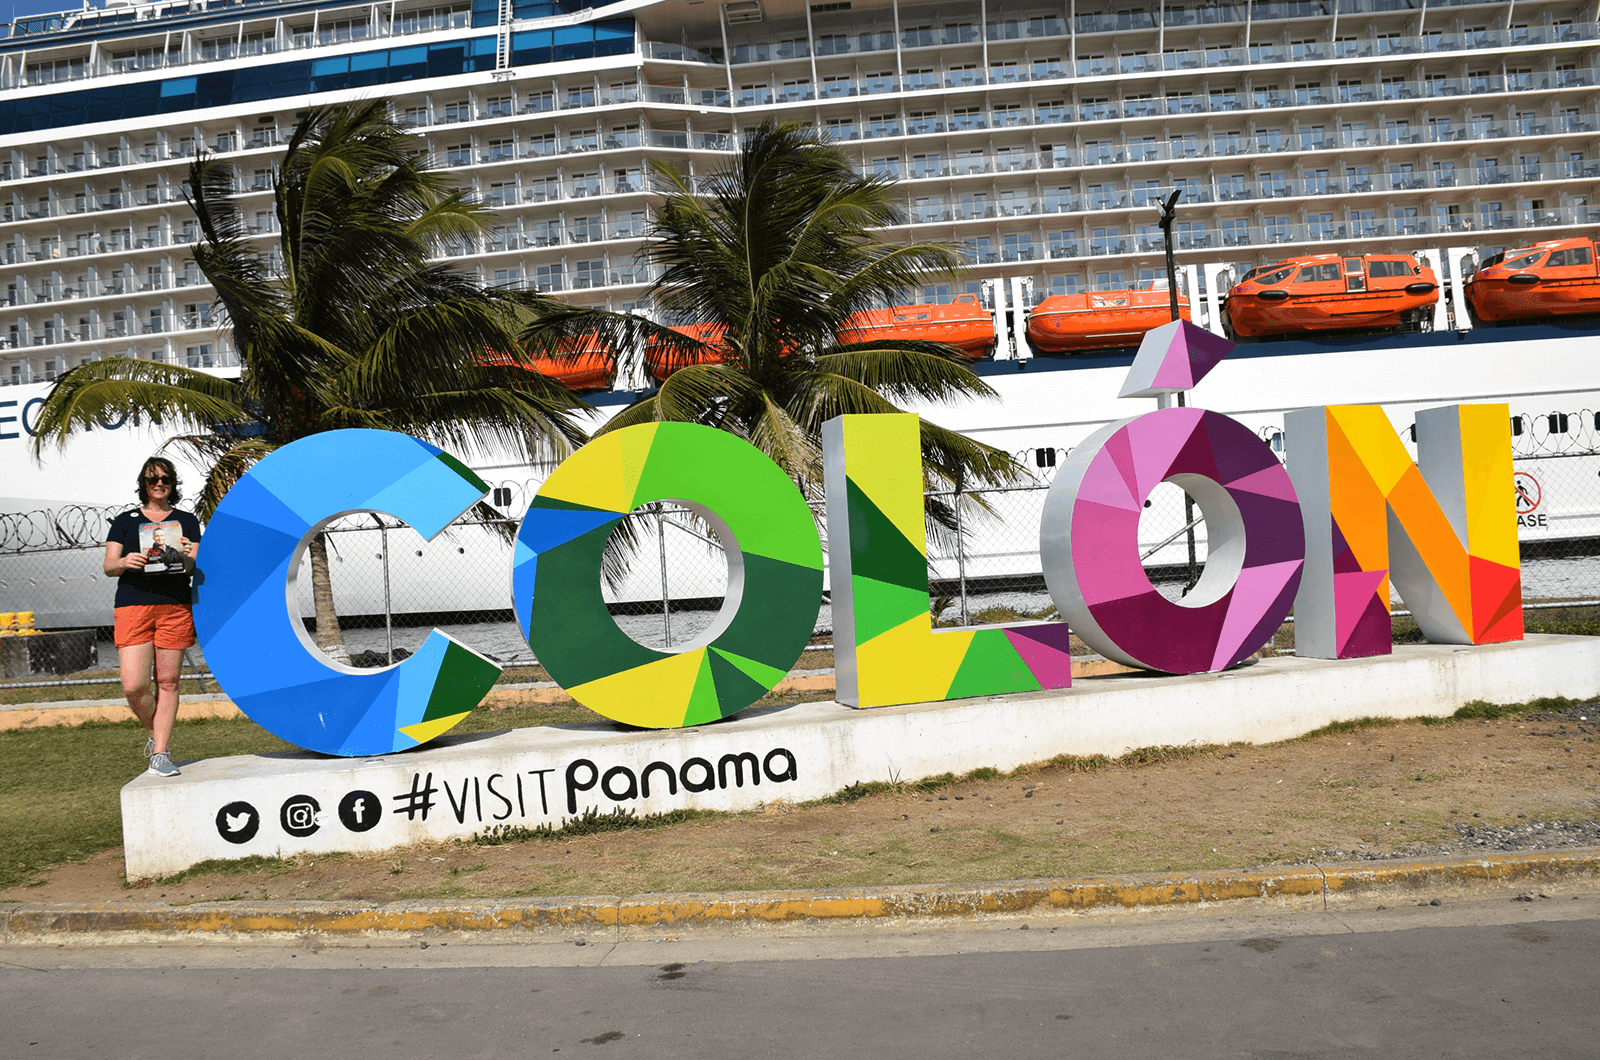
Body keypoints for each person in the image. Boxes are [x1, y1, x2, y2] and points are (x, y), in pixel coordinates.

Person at [104, 456, 201, 778]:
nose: (158, 484)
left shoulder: (186, 521)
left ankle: (160, 752)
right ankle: (153, 733)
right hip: (133, 605)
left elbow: (192, 569)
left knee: (169, 682)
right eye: (152, 479)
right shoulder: (125, 520)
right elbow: (108, 566)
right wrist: (125, 561)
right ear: (143, 484)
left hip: (174, 605)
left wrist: (189, 554)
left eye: (165, 479)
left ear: (173, 484)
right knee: (134, 685)